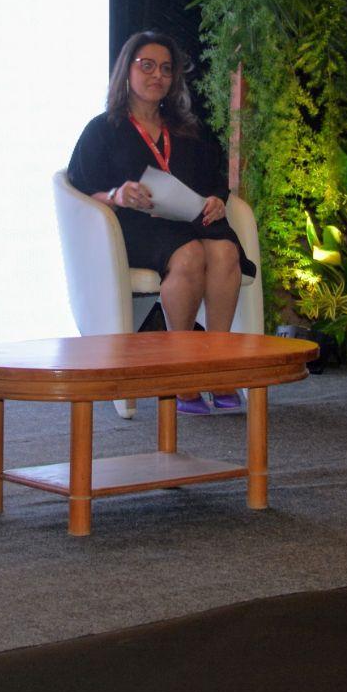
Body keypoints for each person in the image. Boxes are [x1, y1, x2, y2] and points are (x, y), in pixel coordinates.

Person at [67, 32, 255, 413]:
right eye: (148, 66)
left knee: (225, 251)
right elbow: (80, 189)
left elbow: (214, 180)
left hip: (190, 220)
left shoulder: (186, 129)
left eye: (166, 69)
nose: (158, 76)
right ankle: (180, 371)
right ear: (127, 71)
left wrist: (217, 200)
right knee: (188, 254)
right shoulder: (103, 129)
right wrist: (117, 194)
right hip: (134, 227)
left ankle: (218, 365)